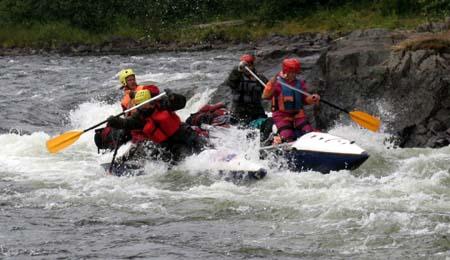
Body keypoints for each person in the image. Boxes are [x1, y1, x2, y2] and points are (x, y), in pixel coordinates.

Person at [106, 89, 208, 162]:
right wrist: (114, 121)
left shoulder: (163, 104)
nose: (139, 107)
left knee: (203, 148)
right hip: (167, 144)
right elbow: (127, 123)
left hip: (183, 133)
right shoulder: (139, 116)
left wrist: (174, 97)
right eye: (138, 105)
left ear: (150, 102)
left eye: (142, 104)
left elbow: (181, 103)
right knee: (182, 160)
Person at [262, 58, 320, 144]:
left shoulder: (300, 83)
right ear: (286, 71)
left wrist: (312, 99)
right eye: (292, 72)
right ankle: (276, 140)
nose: (294, 74)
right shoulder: (277, 83)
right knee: (287, 136)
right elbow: (265, 96)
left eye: (295, 72)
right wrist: (271, 84)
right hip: (281, 115)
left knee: (309, 132)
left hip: (298, 115)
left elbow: (304, 100)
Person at [223, 54, 268, 126]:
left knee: (264, 124)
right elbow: (231, 82)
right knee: (242, 126)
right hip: (240, 112)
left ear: (253, 65)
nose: (248, 68)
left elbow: (268, 91)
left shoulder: (260, 78)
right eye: (246, 66)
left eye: (250, 65)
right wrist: (238, 70)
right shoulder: (236, 77)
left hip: (256, 111)